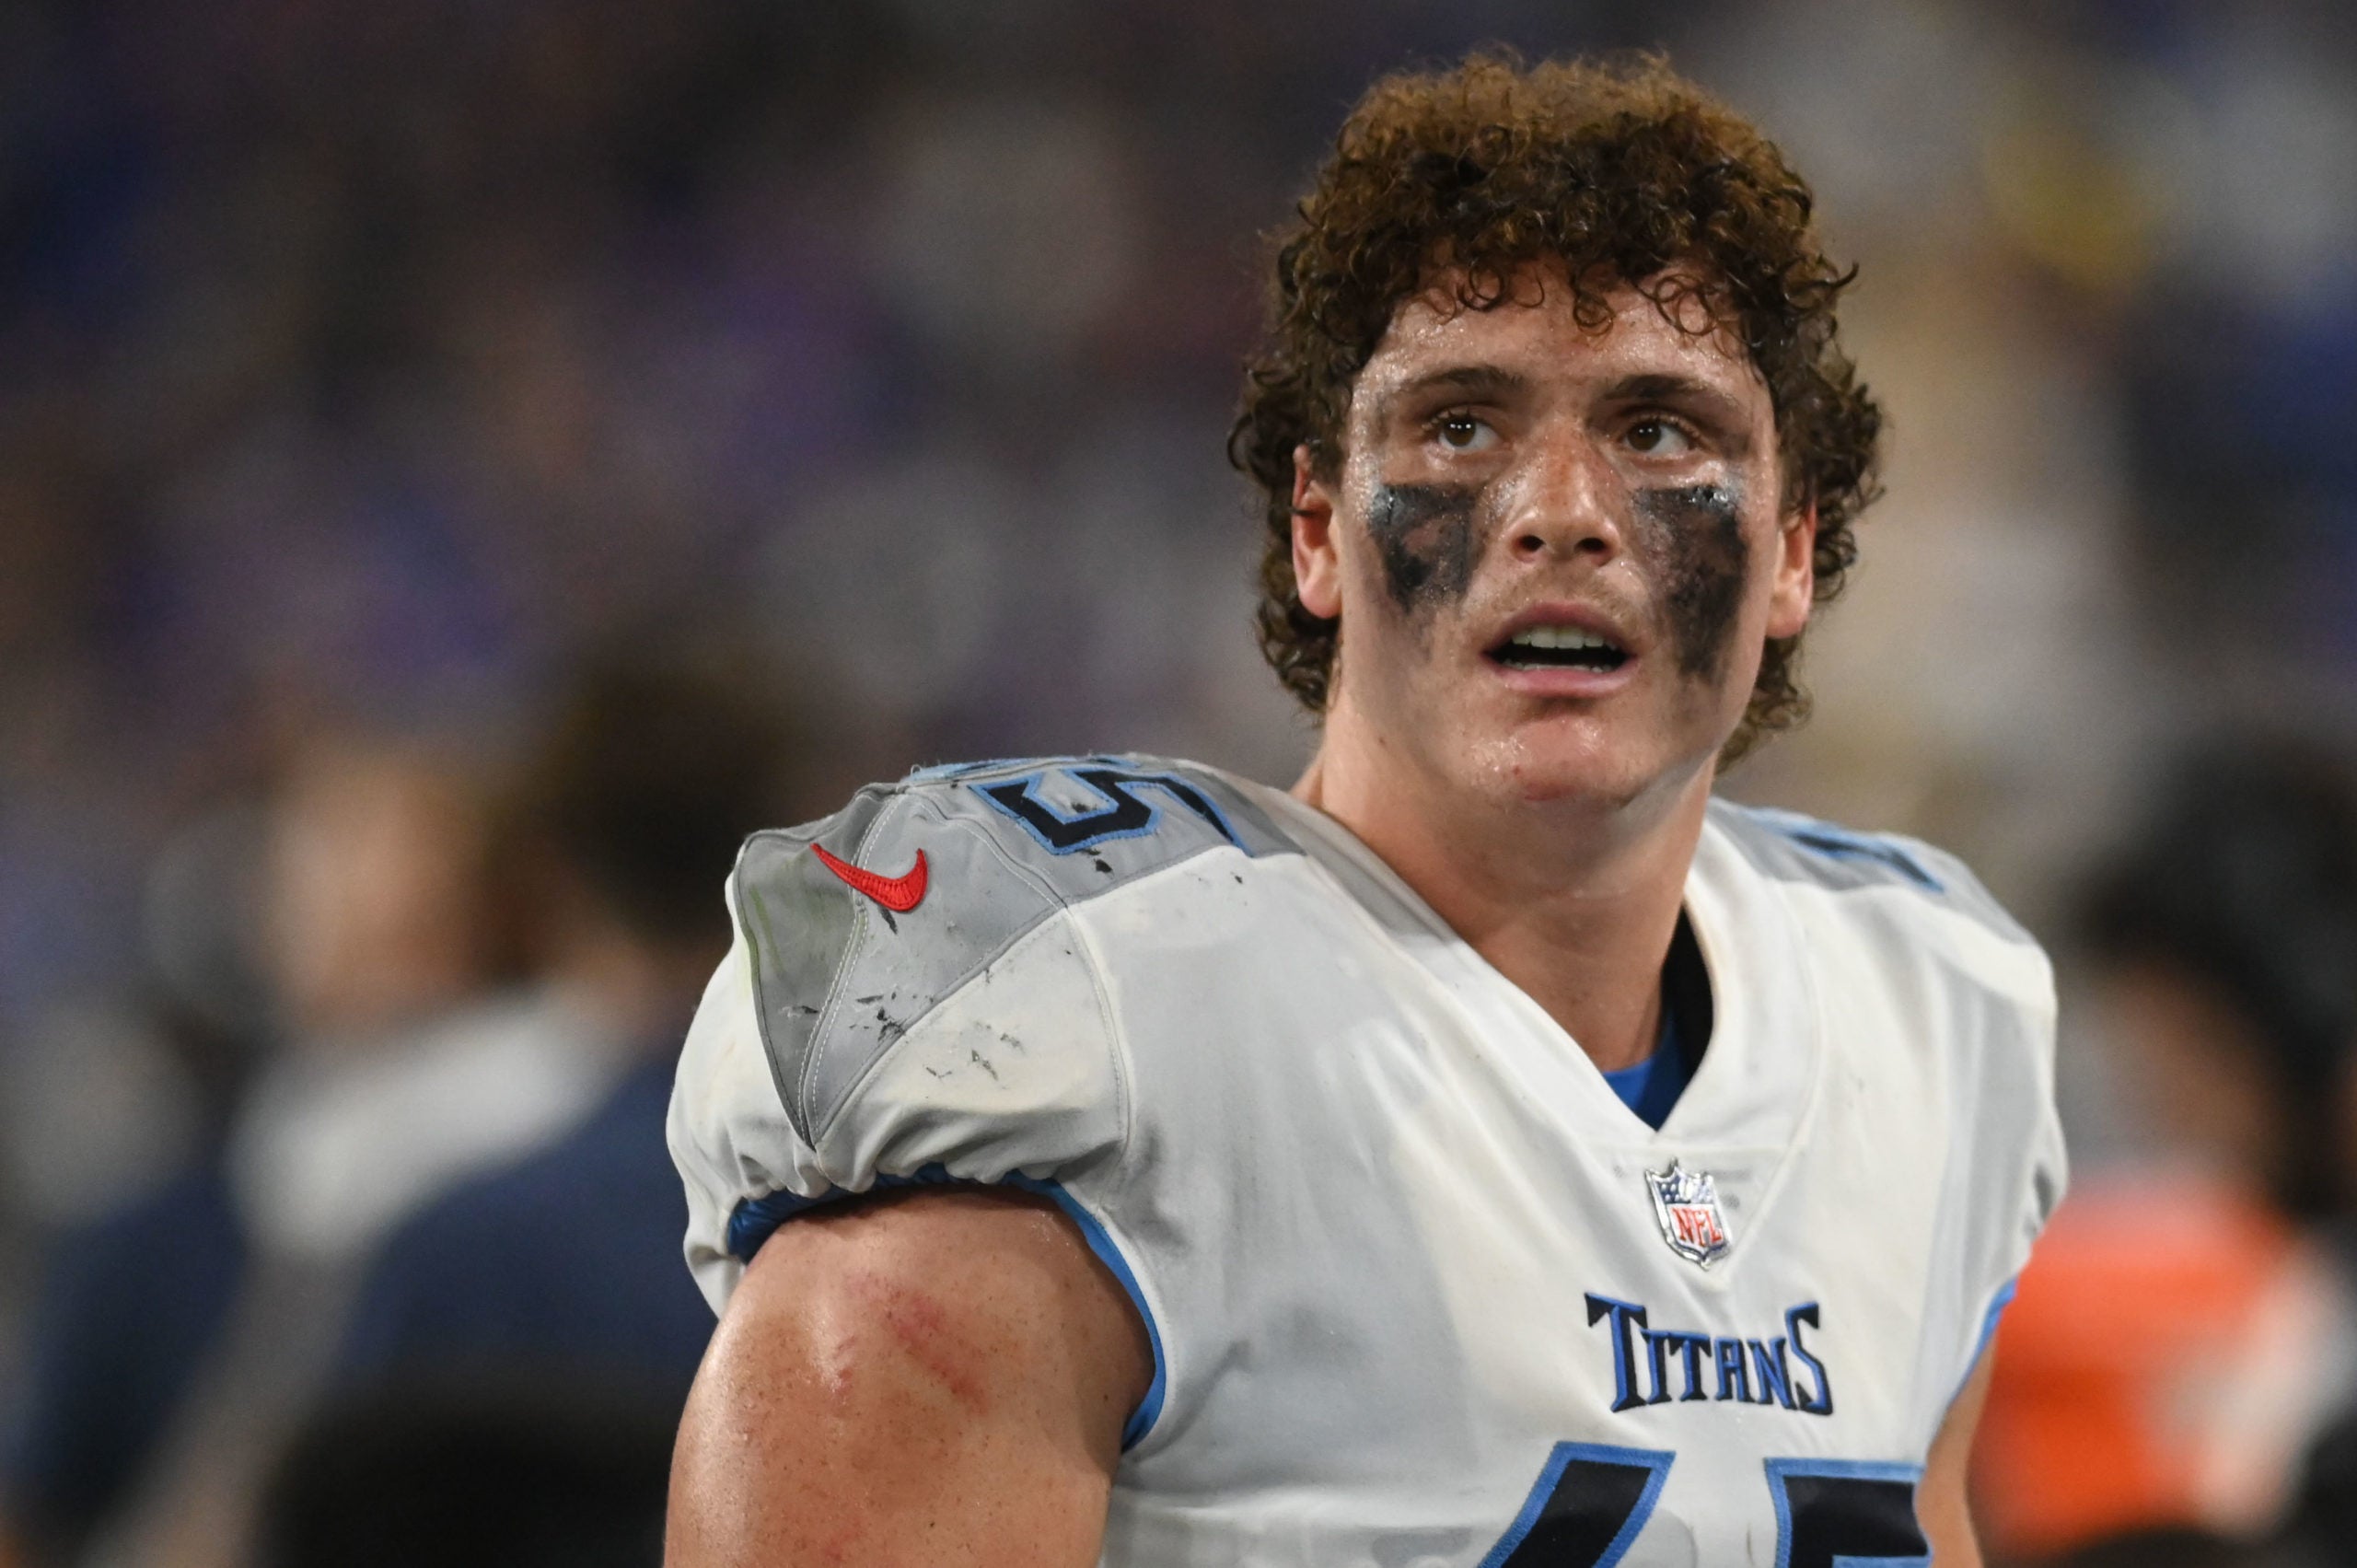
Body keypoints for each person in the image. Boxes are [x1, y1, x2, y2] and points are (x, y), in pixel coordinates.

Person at [667, 52, 2064, 1566]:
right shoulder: (1080, 1013)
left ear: (1791, 553)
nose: (1563, 509)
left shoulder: (1930, 1009)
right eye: (1461, 425)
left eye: (1662, 430)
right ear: (1318, 532)